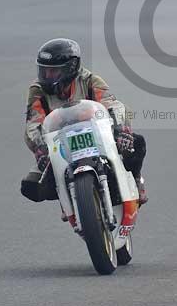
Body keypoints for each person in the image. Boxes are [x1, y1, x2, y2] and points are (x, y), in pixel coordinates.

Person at [20, 38, 148, 211]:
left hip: (96, 138)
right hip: (61, 146)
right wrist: (40, 149)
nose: (47, 77)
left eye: (53, 72)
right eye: (44, 71)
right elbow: (33, 123)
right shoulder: (37, 91)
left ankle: (136, 179)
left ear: (70, 68)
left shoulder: (90, 81)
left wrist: (121, 129)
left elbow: (113, 104)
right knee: (31, 187)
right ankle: (70, 198)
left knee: (136, 142)